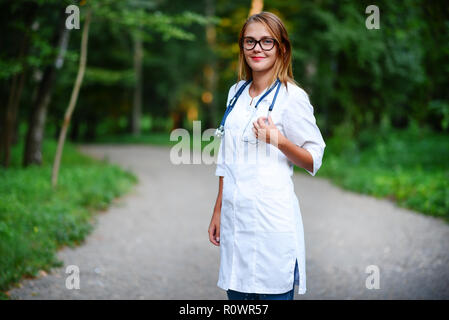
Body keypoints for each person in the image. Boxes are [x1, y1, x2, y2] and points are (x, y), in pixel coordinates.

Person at [208, 11, 326, 300]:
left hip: (271, 223)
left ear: (281, 48)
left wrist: (279, 140)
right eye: (250, 42)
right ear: (242, 47)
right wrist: (218, 209)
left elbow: (314, 159)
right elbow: (227, 157)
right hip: (236, 222)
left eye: (266, 42)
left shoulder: (292, 97)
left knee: (271, 290)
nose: (257, 48)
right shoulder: (235, 93)